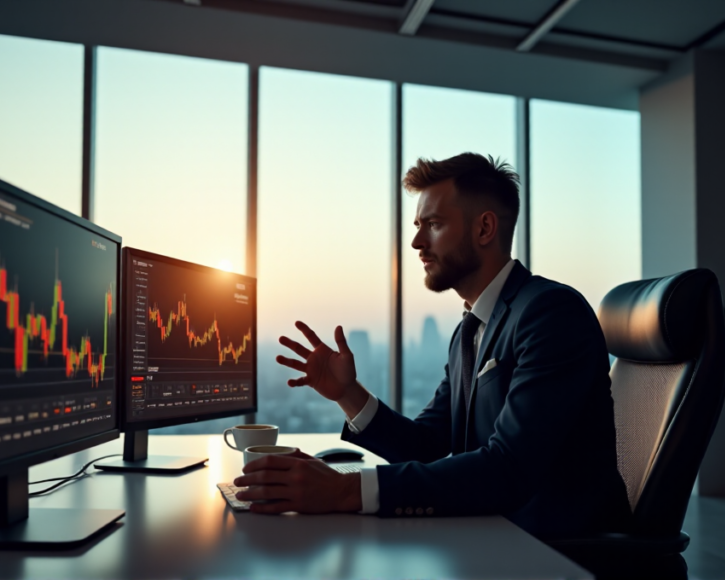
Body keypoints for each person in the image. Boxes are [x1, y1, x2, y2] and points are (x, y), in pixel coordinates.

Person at [233, 153, 632, 537]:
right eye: (417, 225)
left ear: (484, 229)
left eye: (433, 224)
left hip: (556, 553)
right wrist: (348, 394)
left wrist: (343, 489)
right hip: (490, 536)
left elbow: (510, 468)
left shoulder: (549, 313)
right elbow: (423, 445)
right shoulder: (468, 331)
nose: (416, 242)